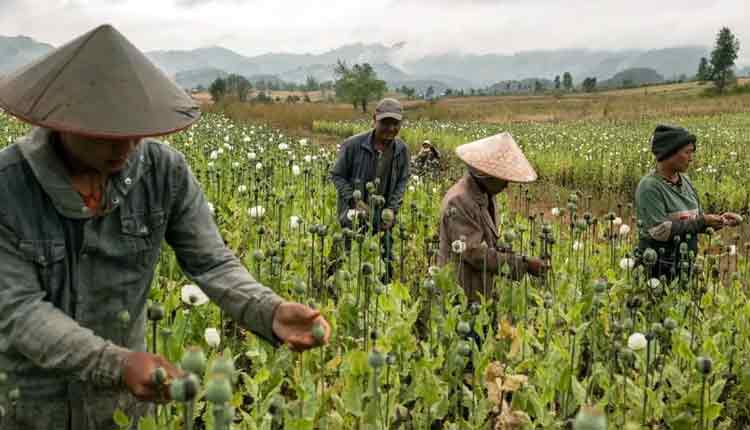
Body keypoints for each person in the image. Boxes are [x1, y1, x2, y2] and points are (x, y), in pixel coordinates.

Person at [0, 24, 330, 430]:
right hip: (30, 409)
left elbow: (212, 263)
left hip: (124, 409)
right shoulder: (8, 185)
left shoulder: (163, 173)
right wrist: (118, 363)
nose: (127, 146)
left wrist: (269, 311)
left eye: (136, 130)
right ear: (65, 122)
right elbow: (20, 312)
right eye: (110, 134)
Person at [438, 132, 547, 302]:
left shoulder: (486, 193)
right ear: (486, 175)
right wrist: (523, 264)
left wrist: (508, 252)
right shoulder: (459, 200)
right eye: (502, 179)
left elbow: (488, 242)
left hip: (480, 287)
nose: (506, 184)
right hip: (459, 290)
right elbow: (474, 253)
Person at [635, 125, 741, 281]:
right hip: (657, 270)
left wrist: (722, 221)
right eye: (687, 152)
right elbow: (660, 231)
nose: (691, 158)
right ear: (668, 153)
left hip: (685, 267)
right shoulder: (649, 187)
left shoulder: (685, 181)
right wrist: (702, 221)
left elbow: (694, 220)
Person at [330, 98, 410, 283]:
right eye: (385, 122)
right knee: (349, 261)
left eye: (395, 123)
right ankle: (342, 291)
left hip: (383, 218)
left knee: (384, 261)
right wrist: (354, 201)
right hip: (354, 215)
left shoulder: (402, 150)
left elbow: (401, 182)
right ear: (375, 119)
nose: (390, 128)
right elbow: (337, 175)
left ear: (401, 123)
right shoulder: (353, 145)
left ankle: (379, 298)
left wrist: (391, 210)